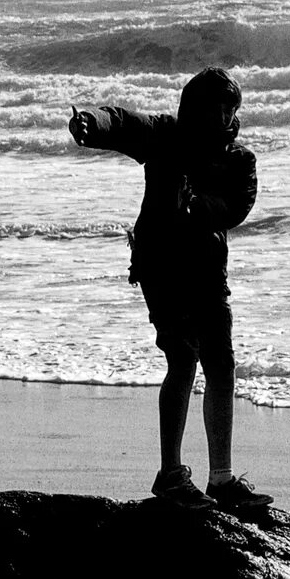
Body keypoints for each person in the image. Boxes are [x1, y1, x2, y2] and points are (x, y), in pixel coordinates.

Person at [67, 67, 263, 507]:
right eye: (214, 106)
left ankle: (221, 478)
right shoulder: (164, 134)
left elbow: (237, 206)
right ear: (193, 106)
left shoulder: (238, 160)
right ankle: (171, 474)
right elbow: (120, 122)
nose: (224, 115)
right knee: (183, 357)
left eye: (229, 108)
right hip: (160, 266)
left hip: (208, 270)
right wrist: (91, 123)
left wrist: (201, 208)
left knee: (222, 363)